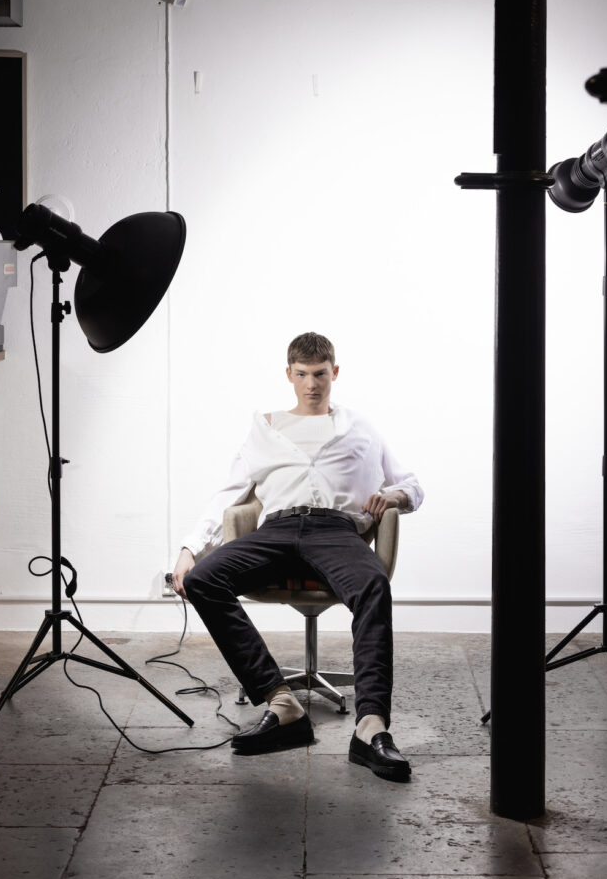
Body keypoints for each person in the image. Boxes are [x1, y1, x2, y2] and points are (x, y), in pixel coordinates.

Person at [172, 332, 423, 781]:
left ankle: (371, 727)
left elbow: (413, 484)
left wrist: (394, 495)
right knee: (203, 580)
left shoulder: (360, 427)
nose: (312, 384)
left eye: (321, 374)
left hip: (335, 529)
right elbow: (230, 492)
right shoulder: (265, 427)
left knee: (372, 586)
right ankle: (281, 703)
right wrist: (191, 548)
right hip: (278, 530)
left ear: (335, 373)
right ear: (288, 374)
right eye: (303, 374)